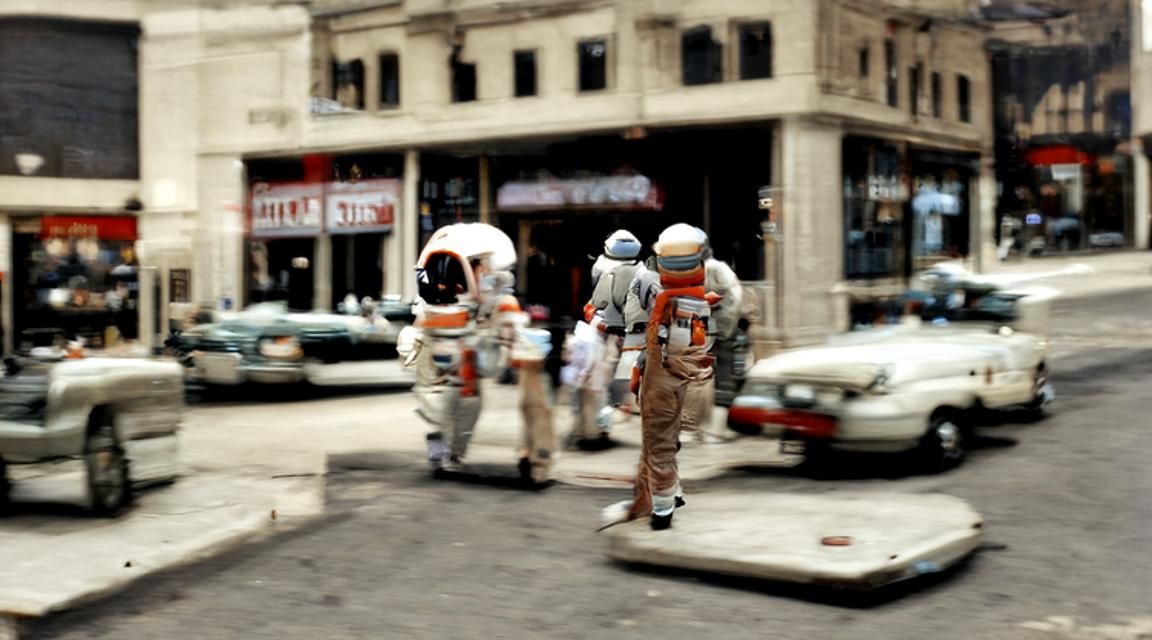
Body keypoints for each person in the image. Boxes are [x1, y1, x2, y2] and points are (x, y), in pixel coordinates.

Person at [602, 223, 716, 531]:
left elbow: (670, 353)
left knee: (659, 443)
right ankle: (668, 494)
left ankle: (662, 510)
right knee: (662, 441)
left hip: (665, 384)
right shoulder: (690, 298)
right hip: (675, 382)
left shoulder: (672, 299)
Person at [566, 229, 642, 450]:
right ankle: (594, 429)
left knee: (593, 385)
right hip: (609, 336)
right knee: (599, 386)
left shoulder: (601, 267)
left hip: (601, 334)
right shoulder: (637, 272)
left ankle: (590, 428)